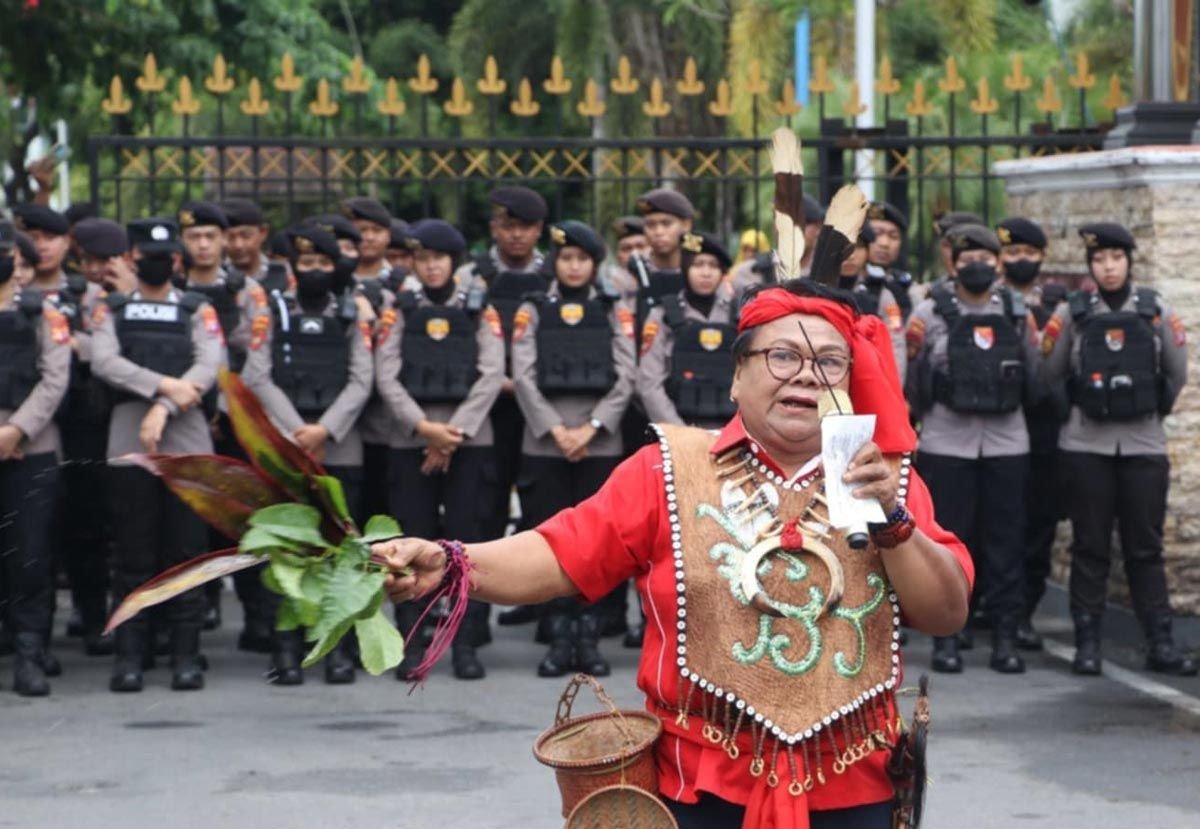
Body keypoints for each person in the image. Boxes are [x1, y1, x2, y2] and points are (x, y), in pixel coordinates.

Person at [375, 279, 972, 828]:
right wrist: (452, 562)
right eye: (782, 356)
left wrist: (892, 519)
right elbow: (562, 554)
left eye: (829, 362)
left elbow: (946, 613)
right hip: (696, 787)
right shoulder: (667, 470)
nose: (806, 376)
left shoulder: (884, 481)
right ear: (737, 376)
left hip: (855, 786)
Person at [1039, 222, 1195, 677]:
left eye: (1116, 258)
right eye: (1099, 260)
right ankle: (1087, 644)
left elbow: (1177, 373)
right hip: (1086, 446)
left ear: (1129, 261)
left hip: (1143, 446)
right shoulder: (1072, 313)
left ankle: (1160, 642)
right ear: (1091, 266)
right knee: (1090, 546)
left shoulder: (1155, 310)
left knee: (1145, 548)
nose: (1108, 267)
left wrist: (1148, 409)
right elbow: (1049, 372)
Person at [91, 217, 223, 692]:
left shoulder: (196, 307)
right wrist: (164, 385)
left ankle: (185, 655)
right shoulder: (112, 308)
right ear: (132, 258)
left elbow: (209, 365)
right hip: (130, 442)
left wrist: (164, 407)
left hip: (187, 442)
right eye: (148, 256)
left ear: (176, 261)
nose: (156, 263)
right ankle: (131, 656)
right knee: (133, 556)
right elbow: (105, 361)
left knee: (187, 555)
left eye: (165, 257)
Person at [241, 224, 374, 685]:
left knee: (343, 549)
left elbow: (362, 379)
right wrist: (297, 431)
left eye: (323, 263)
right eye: (306, 263)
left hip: (340, 444)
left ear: (335, 267)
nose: (314, 270)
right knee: (287, 550)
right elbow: (257, 376)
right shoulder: (272, 311)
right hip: (287, 446)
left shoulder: (350, 314)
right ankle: (286, 648)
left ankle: (337, 647)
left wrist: (325, 429)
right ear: (294, 267)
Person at [374, 219, 504, 680]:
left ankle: (465, 644)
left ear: (454, 261)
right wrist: (425, 428)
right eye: (423, 259)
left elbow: (492, 373)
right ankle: (411, 644)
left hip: (469, 442)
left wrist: (453, 434)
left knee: (469, 545)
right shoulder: (398, 309)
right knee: (410, 540)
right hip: (411, 441)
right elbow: (386, 375)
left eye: (439, 259)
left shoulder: (478, 307)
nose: (430, 267)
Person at [905, 224, 1037, 675]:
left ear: (998, 265)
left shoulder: (1017, 310)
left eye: (985, 259)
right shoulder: (929, 312)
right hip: (947, 440)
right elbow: (914, 379)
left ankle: (1005, 636)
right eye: (967, 259)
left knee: (1006, 543)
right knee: (948, 539)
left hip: (1007, 441)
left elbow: (1034, 371)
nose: (976, 266)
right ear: (954, 264)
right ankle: (947, 639)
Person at [510, 220, 635, 677]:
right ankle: (559, 637)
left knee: (597, 544)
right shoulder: (534, 308)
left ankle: (589, 637)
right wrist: (557, 430)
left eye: (583, 259)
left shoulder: (613, 307)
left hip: (599, 445)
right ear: (555, 262)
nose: (574, 266)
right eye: (566, 258)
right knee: (550, 540)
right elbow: (523, 375)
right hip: (546, 445)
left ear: (595, 264)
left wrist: (592, 428)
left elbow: (627, 374)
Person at [178, 200, 271, 643]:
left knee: (244, 520)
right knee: (190, 520)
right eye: (194, 236)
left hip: (235, 422)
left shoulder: (247, 291)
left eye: (210, 236)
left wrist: (227, 410)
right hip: (186, 419)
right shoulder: (172, 289)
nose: (203, 245)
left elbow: (256, 359)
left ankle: (255, 615)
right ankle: (199, 608)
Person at [453, 187, 549, 544]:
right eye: (508, 226)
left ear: (539, 230)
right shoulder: (469, 277)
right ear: (494, 228)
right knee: (485, 500)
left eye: (526, 226)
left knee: (540, 502)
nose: (517, 234)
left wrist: (522, 383)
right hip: (486, 408)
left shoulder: (555, 275)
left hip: (542, 407)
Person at [0, 219, 72, 696]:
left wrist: (16, 429)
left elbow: (55, 377)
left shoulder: (45, 313)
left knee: (30, 557)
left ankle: (30, 655)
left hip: (31, 449)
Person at [61, 218, 137, 657]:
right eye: (88, 261)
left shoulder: (140, 295)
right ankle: (91, 616)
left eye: (105, 260)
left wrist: (126, 294)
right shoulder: (71, 297)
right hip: (84, 424)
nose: (96, 270)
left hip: (129, 421)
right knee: (85, 525)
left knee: (131, 529)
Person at [996, 216, 1065, 650]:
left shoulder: (1057, 304)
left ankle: (1023, 613)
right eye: (1013, 252)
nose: (1020, 259)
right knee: (1000, 528)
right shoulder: (985, 300)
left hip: (1044, 433)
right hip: (998, 428)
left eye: (1028, 253)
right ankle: (993, 608)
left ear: (1041, 257)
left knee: (1039, 527)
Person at [637, 231, 738, 431]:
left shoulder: (738, 315)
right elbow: (649, 383)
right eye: (698, 265)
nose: (706, 273)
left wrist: (732, 433)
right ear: (685, 268)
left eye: (713, 266)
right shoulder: (661, 315)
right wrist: (681, 433)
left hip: (731, 432)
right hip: (676, 431)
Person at [838, 225, 906, 380]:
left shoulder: (880, 293)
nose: (851, 256)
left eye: (858, 248)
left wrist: (893, 386)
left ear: (868, 252)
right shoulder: (812, 289)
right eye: (843, 247)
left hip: (868, 377)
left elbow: (896, 342)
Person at [865, 202, 915, 321]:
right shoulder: (845, 281)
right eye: (877, 233)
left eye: (893, 236)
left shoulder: (906, 286)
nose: (885, 243)